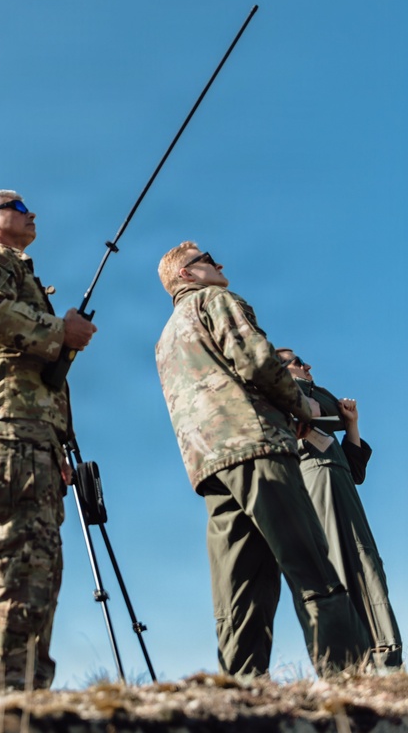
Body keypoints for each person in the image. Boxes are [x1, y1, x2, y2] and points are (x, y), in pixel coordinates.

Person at [154, 242, 370, 677]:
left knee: (240, 582)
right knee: (309, 561)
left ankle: (241, 684)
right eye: (207, 259)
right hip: (256, 445)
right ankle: (347, 674)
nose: (218, 263)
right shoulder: (215, 300)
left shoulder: (165, 338)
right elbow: (256, 361)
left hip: (209, 463)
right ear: (186, 274)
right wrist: (301, 407)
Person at [0, 190, 96, 693]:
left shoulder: (17, 268)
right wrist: (60, 330)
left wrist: (59, 443)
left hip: (33, 428)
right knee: (20, 549)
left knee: (40, 556)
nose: (31, 212)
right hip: (8, 418)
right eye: (17, 206)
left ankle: (27, 687)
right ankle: (4, 689)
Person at [276, 347, 401, 670]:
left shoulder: (314, 402)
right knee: (340, 564)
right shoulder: (288, 395)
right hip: (318, 487)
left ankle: (383, 651)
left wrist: (352, 424)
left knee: (365, 563)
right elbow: (324, 407)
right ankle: (352, 659)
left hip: (343, 490)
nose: (307, 366)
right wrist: (322, 407)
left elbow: (356, 471)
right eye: (298, 362)